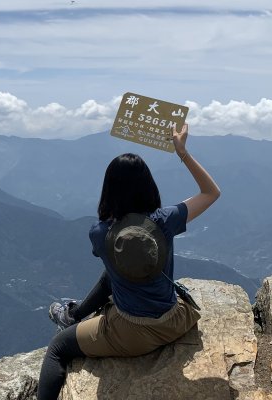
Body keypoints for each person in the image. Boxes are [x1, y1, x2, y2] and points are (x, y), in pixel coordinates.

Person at [37, 124, 221, 400]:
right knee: (114, 275)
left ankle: (72, 316)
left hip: (131, 334)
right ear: (148, 185)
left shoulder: (100, 233)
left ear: (109, 189)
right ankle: (75, 314)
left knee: (57, 348)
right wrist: (182, 152)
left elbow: (117, 266)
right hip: (175, 321)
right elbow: (211, 192)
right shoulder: (164, 220)